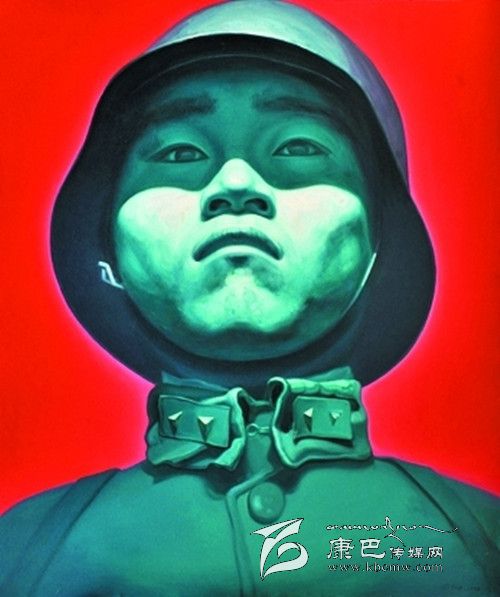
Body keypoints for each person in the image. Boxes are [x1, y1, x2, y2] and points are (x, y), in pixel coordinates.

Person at [1, 1, 498, 595]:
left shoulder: (481, 543)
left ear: (379, 234)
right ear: (110, 239)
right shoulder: (22, 555)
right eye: (180, 153)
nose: (236, 184)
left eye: (298, 147)